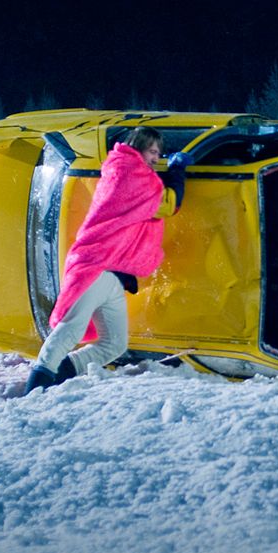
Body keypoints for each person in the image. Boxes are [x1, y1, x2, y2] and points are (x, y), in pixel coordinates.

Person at [25, 127, 194, 393]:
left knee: (114, 344)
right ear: (138, 147)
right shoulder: (130, 173)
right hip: (97, 266)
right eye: (152, 152)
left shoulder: (125, 170)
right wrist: (177, 173)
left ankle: (60, 375)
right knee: (69, 331)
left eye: (159, 154)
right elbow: (168, 203)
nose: (156, 158)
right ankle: (37, 383)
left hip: (113, 277)